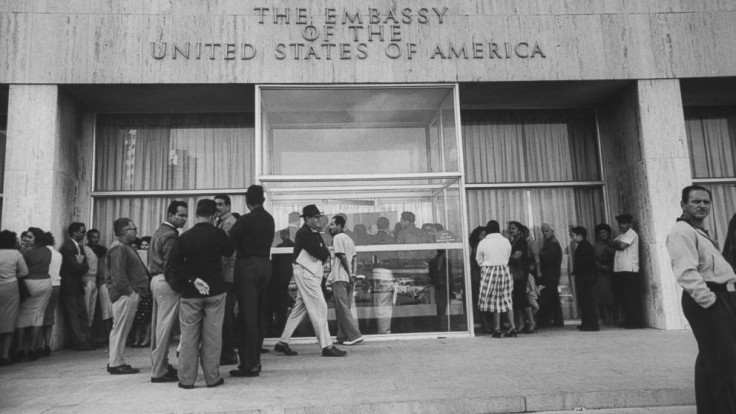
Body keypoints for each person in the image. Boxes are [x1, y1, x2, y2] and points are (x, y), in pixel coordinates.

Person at [666, 185, 736, 413]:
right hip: (707, 299)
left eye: (706, 202)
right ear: (683, 205)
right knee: (721, 357)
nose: (702, 206)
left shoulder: (698, 230)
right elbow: (686, 272)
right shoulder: (681, 231)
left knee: (713, 356)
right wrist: (711, 302)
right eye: (696, 201)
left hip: (720, 296)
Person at [170, 199, 233, 389]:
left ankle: (186, 380)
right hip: (215, 291)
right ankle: (212, 378)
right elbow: (229, 251)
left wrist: (192, 279)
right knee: (213, 337)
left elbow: (175, 266)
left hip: (191, 293)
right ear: (214, 215)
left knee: (189, 337)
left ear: (196, 214)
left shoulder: (184, 237)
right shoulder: (219, 234)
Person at [274, 204, 346, 357]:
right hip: (307, 273)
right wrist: (322, 250)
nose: (318, 220)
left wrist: (322, 250)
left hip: (309, 272)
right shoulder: (304, 233)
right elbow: (320, 252)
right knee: (320, 307)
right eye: (315, 217)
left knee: (300, 308)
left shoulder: (311, 232)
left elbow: (323, 251)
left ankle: (283, 341)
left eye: (318, 217)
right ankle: (326, 345)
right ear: (307, 219)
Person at [229, 185, 275, 377]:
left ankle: (249, 364)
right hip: (265, 265)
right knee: (258, 314)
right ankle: (255, 360)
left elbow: (229, 241)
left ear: (247, 201)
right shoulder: (269, 219)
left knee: (247, 316)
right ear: (263, 200)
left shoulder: (246, 220)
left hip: (247, 266)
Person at [149, 200, 188, 383]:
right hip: (166, 281)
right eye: (180, 215)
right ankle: (159, 370)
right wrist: (178, 286)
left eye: (185, 215)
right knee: (164, 328)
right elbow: (171, 264)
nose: (184, 219)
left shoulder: (160, 231)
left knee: (160, 326)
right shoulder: (171, 235)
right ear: (170, 215)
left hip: (157, 280)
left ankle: (160, 365)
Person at [106, 218, 149, 375]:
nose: (136, 232)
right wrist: (131, 293)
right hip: (124, 295)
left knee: (121, 328)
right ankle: (115, 363)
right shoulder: (118, 248)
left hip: (127, 294)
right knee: (120, 328)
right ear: (124, 232)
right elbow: (118, 275)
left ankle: (116, 360)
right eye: (133, 229)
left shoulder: (124, 247)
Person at [16, 227, 53, 362]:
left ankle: (20, 348)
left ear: (36, 238)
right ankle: (32, 348)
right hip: (46, 282)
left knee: (21, 318)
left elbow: (20, 269)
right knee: (38, 316)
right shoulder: (48, 251)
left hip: (30, 283)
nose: (27, 239)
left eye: (30, 237)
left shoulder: (27, 252)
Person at [326, 215, 363, 345]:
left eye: (332, 224)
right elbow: (355, 258)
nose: (330, 227)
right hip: (347, 278)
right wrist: (353, 274)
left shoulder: (337, 238)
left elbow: (342, 257)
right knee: (343, 307)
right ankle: (342, 336)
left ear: (340, 226)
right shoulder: (349, 239)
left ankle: (354, 335)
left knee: (341, 307)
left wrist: (349, 272)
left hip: (339, 277)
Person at [476, 220, 515, 338]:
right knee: (507, 299)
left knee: (494, 301)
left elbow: (479, 259)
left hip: (489, 271)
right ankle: (513, 327)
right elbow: (508, 256)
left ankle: (497, 329)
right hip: (504, 270)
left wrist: (485, 265)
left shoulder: (483, 242)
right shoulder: (505, 241)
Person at [59, 222, 94, 350]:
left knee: (81, 313)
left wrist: (81, 266)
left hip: (77, 285)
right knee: (74, 314)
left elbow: (84, 265)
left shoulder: (79, 247)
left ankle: (85, 338)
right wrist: (81, 266)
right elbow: (74, 266)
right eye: (82, 231)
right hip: (70, 286)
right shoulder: (68, 247)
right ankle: (79, 341)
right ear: (74, 232)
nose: (84, 234)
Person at [214, 194, 238, 366]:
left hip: (228, 273)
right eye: (216, 205)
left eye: (221, 205)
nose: (217, 208)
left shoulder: (228, 223)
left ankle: (228, 352)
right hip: (227, 273)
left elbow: (226, 250)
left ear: (228, 206)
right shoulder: (222, 222)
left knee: (226, 314)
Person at [0, 230, 28, 366]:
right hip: (10, 287)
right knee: (9, 320)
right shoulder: (16, 254)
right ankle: (5, 355)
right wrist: (12, 276)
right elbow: (24, 272)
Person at [612, 213, 642, 328]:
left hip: (630, 269)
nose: (621, 226)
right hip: (621, 269)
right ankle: (629, 320)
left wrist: (615, 243)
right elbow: (612, 243)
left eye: (624, 223)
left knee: (631, 297)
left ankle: (635, 322)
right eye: (620, 223)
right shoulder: (622, 235)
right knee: (624, 296)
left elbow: (621, 246)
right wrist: (615, 243)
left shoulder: (632, 234)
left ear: (630, 224)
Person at [507, 221, 534, 334]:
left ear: (519, 230)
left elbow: (516, 256)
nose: (511, 230)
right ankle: (521, 322)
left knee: (522, 297)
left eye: (513, 228)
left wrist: (504, 258)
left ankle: (532, 322)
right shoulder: (513, 242)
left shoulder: (521, 242)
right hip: (514, 273)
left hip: (520, 273)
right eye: (510, 229)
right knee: (516, 299)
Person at [570, 226, 599, 331]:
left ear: (580, 236)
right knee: (584, 301)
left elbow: (584, 264)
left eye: (573, 235)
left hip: (585, 277)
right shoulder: (583, 245)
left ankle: (591, 324)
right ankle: (587, 322)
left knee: (587, 301)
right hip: (585, 277)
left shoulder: (584, 246)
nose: (572, 238)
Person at [267, 229, 294, 337]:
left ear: (284, 235)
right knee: (282, 304)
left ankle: (275, 328)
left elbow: (274, 264)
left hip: (277, 279)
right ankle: (281, 327)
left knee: (275, 303)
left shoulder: (279, 248)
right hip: (286, 277)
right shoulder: (293, 245)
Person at [87, 229, 112, 346]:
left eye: (97, 237)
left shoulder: (103, 251)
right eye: (93, 237)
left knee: (105, 311)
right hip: (92, 282)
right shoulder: (86, 250)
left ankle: (106, 335)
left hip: (102, 283)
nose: (96, 239)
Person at [536, 223, 564, 328]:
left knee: (548, 297)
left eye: (547, 231)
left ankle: (548, 321)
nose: (545, 233)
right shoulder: (549, 242)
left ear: (552, 231)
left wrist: (540, 255)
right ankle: (557, 320)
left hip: (551, 274)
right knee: (552, 297)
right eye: (543, 231)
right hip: (551, 274)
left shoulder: (552, 243)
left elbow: (547, 258)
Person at [40, 232, 62, 357]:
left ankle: (37, 345)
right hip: (56, 284)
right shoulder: (58, 254)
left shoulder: (42, 253)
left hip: (44, 283)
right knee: (49, 315)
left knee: (38, 314)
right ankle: (47, 344)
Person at [469, 226, 491, 333]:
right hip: (479, 277)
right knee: (482, 302)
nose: (485, 237)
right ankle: (486, 325)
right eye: (482, 235)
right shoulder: (478, 247)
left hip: (480, 276)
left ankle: (487, 325)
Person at [593, 223, 616, 325]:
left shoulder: (613, 243)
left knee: (612, 296)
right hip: (601, 274)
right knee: (603, 296)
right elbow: (593, 260)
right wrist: (601, 267)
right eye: (600, 232)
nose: (603, 234)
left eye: (605, 232)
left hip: (613, 273)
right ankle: (604, 318)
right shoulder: (596, 246)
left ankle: (612, 317)